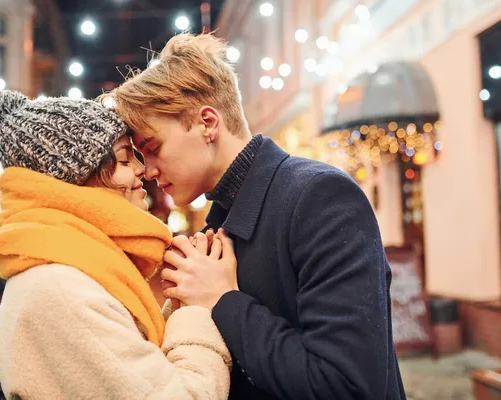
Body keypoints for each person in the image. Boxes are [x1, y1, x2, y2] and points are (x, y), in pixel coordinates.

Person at [106, 33, 406, 399]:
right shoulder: (219, 227)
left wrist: (223, 301)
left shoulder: (320, 197)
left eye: (153, 148)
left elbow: (347, 385)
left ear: (207, 123)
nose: (147, 170)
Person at [0, 90, 234, 399]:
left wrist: (180, 301)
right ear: (77, 182)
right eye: (123, 158)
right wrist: (198, 308)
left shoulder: (64, 271)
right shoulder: (63, 292)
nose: (141, 171)